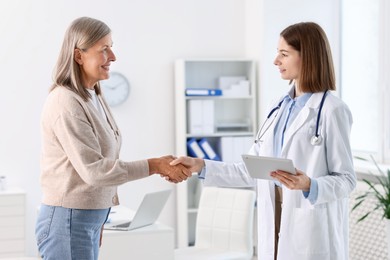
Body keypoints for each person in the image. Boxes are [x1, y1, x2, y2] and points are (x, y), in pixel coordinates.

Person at [171, 22, 356, 260]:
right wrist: (201, 166)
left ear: (307, 57)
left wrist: (310, 184)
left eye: (284, 54)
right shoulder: (276, 108)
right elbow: (251, 170)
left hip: (309, 220)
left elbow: (347, 180)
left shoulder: (332, 110)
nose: (275, 61)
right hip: (273, 213)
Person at [35, 17, 191, 260]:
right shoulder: (66, 102)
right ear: (78, 56)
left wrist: (98, 217)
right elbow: (94, 170)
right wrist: (155, 165)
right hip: (68, 222)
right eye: (104, 49)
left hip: (83, 220)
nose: (113, 57)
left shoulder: (92, 95)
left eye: (112, 47)